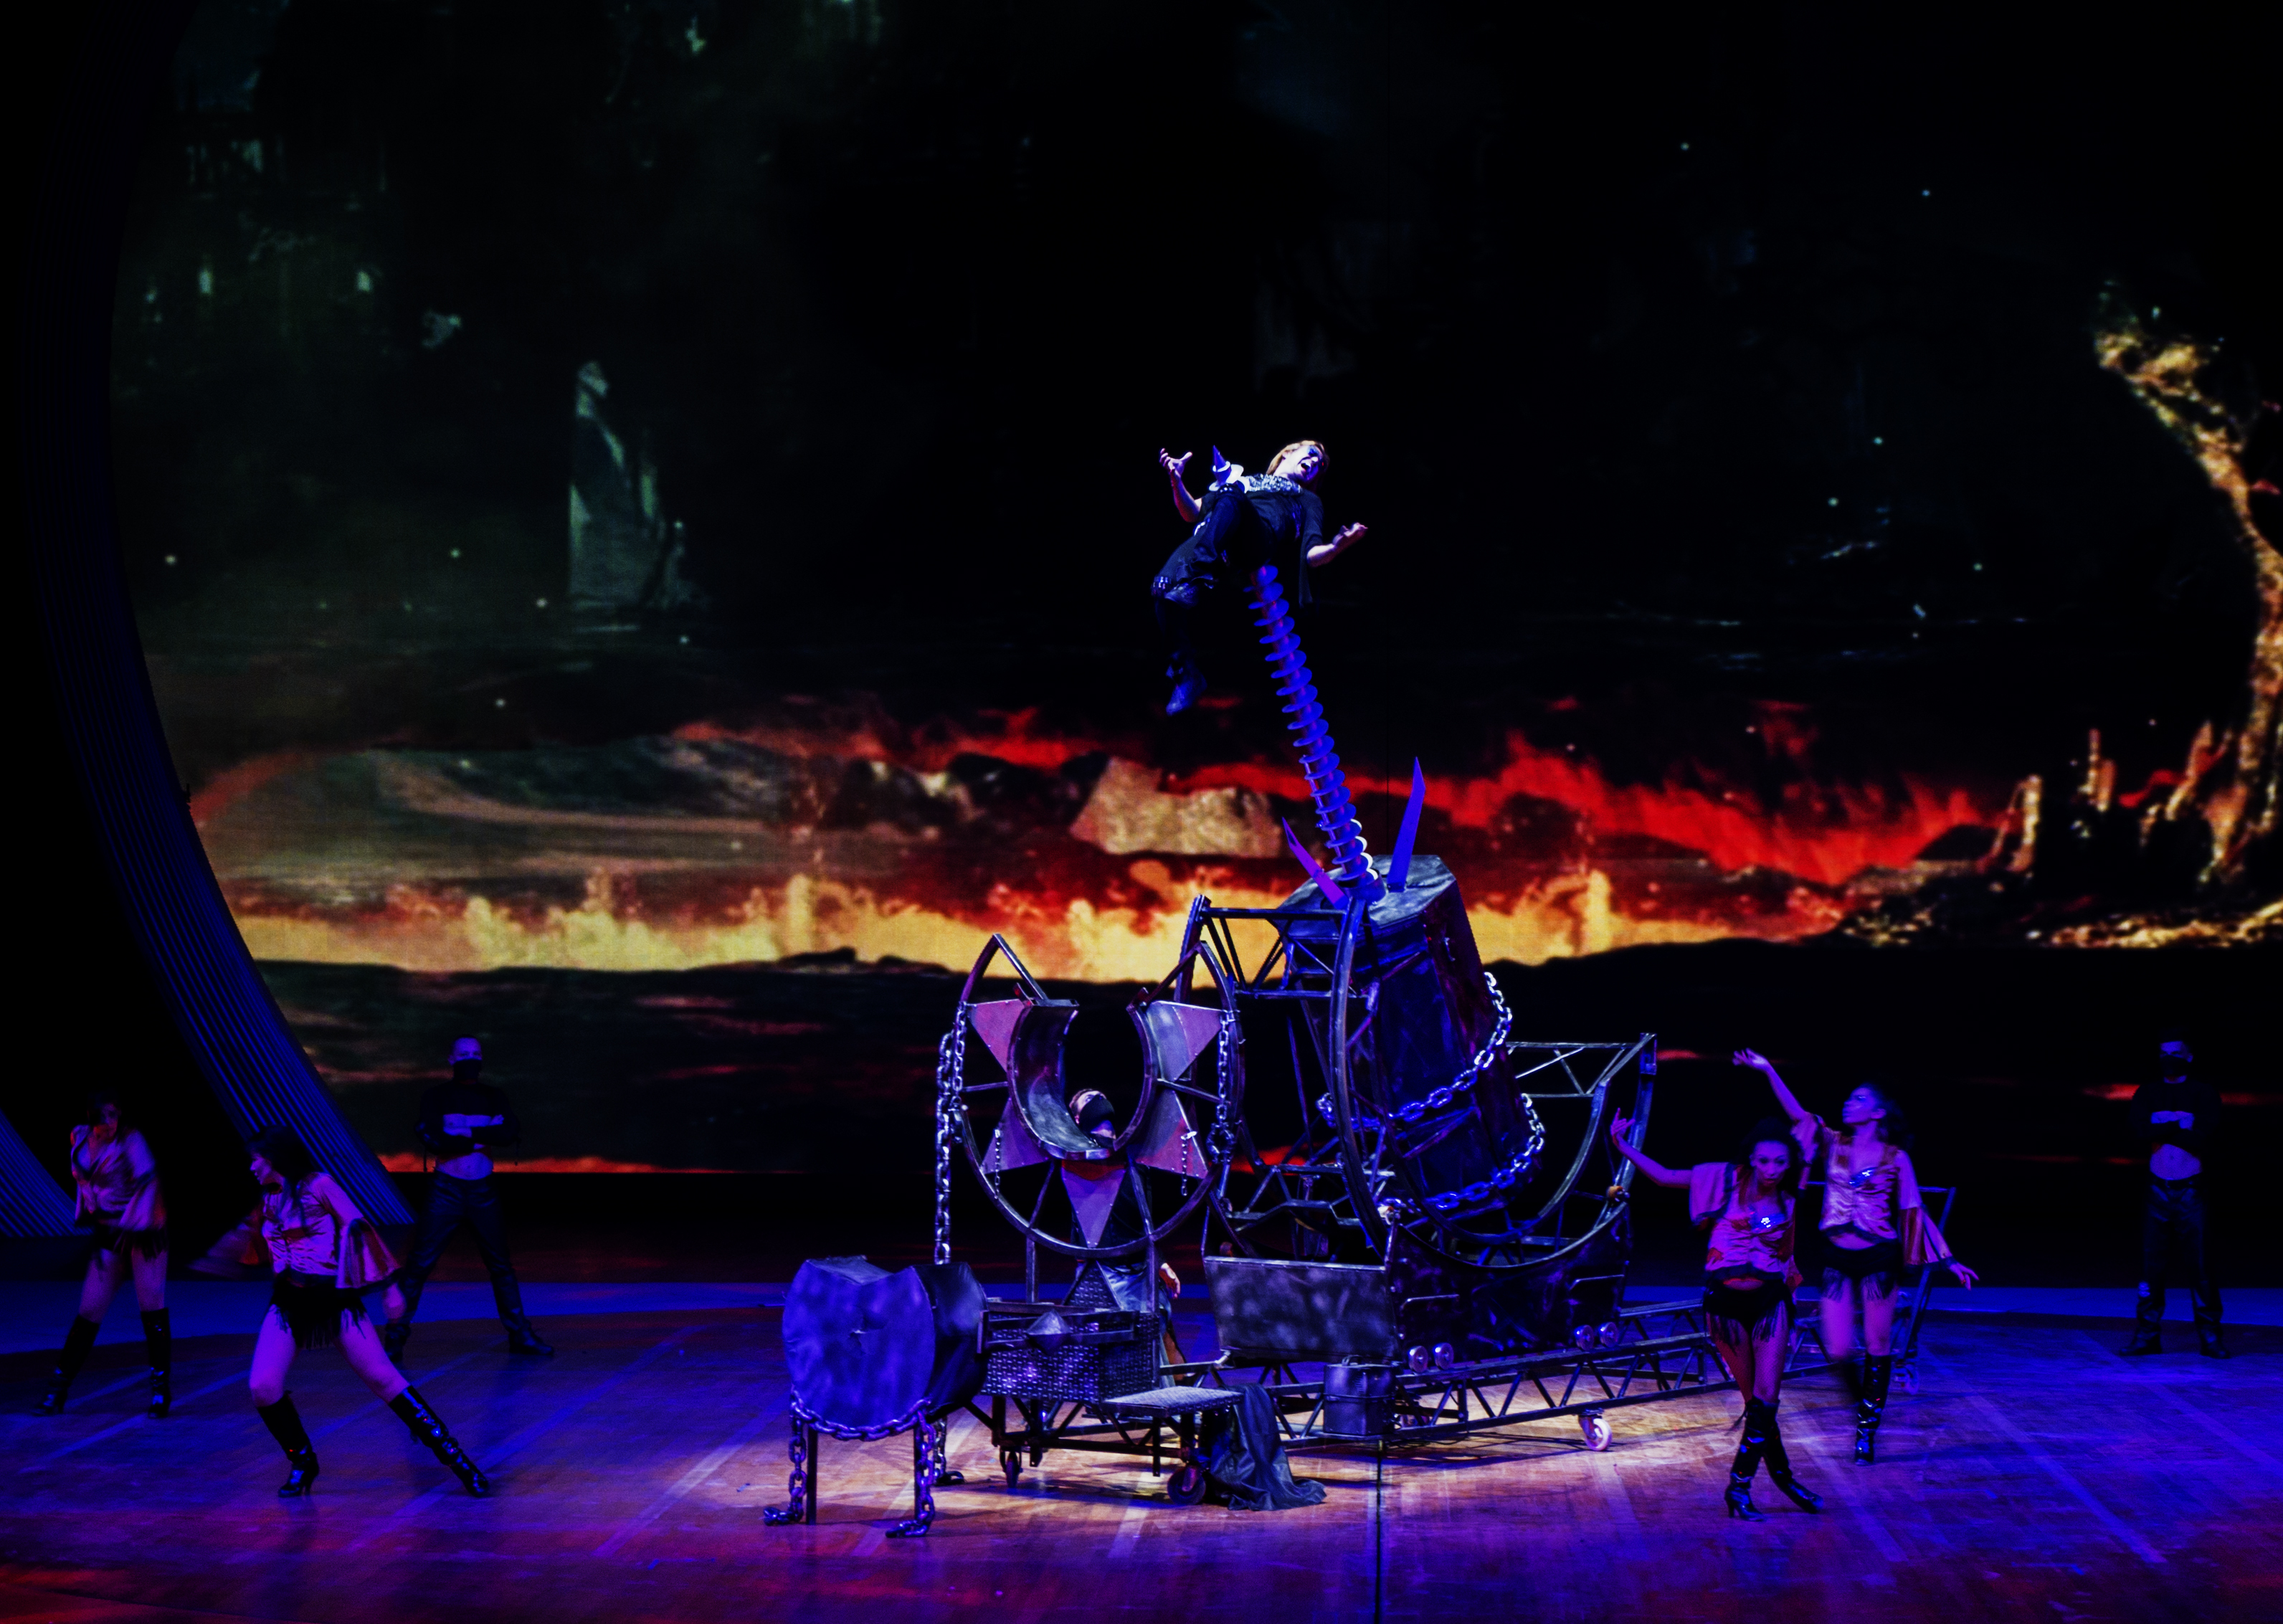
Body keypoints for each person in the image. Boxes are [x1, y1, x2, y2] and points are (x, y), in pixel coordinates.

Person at [1734, 1049, 1976, 1464]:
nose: (1848, 1103)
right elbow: (1799, 1116)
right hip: (1837, 1258)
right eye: (1849, 1098)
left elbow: (1913, 1210)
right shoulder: (1834, 1144)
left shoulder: (1896, 1158)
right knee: (1839, 1348)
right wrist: (1768, 1069)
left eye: (1858, 1099)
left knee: (1878, 1345)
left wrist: (1948, 1260)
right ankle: (1862, 1405)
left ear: (1878, 1113)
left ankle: (1867, 1430)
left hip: (1878, 1259)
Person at [239, 1125, 490, 1498]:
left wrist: (390, 1288)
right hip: (289, 1301)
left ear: (274, 1157)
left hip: (333, 1300)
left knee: (384, 1379)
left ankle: (458, 1460)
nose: (251, 1167)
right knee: (262, 1385)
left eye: (255, 1159)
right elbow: (262, 1244)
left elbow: (360, 1228)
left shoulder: (320, 1185)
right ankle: (302, 1461)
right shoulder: (269, 1197)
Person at [1608, 1111, 1822, 1519]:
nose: (1772, 1169)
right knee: (1755, 1402)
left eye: (1780, 1162)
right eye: (1764, 1161)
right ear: (1751, 1158)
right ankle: (1785, 1481)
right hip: (1725, 1307)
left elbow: (1808, 1122)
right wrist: (1623, 1146)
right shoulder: (1721, 1180)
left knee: (1767, 1400)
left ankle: (1739, 1487)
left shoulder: (1790, 1197)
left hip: (1770, 1304)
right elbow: (1666, 1177)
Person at [1149, 440, 1369, 714]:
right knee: (1162, 587)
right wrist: (1176, 480)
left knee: (1231, 493)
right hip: (1217, 542)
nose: (1316, 463)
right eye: (1313, 454)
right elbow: (1192, 512)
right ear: (1288, 453)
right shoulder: (1246, 482)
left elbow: (1311, 554)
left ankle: (1197, 576)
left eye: (1321, 465)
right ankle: (1186, 675)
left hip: (1256, 541)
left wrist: (1336, 547)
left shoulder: (1307, 499)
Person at [381, 1037, 552, 1362]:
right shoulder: (436, 1096)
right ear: (451, 1059)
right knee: (419, 1264)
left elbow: (509, 1133)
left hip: (483, 1189)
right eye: (464, 1055)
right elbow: (434, 1139)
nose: (470, 1059)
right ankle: (394, 1336)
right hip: (445, 1189)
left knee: (501, 1265)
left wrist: (464, 1133)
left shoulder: (494, 1096)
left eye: (475, 1054)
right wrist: (484, 1133)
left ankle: (521, 1335)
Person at [35, 1091, 171, 1418]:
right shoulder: (79, 1137)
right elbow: (83, 1180)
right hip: (108, 1234)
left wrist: (135, 1225)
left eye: (113, 1115)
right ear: (90, 1116)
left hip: (142, 1232)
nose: (109, 1123)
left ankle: (160, 1391)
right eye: (102, 1116)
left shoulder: (131, 1140)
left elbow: (149, 1182)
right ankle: (57, 1390)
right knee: (88, 1311)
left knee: (151, 1307)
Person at [2122, 1030, 2226, 1358]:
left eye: (2175, 1053)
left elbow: (2204, 1138)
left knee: (2201, 1266)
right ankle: (2147, 1335)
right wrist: (2181, 1123)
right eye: (2163, 1053)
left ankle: (2210, 1336)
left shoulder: (2203, 1093)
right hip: (2157, 1190)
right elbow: (2139, 1132)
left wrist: (2161, 1124)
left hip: (2191, 1191)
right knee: (2151, 1267)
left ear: (2189, 1057)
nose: (2168, 1058)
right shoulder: (2148, 1092)